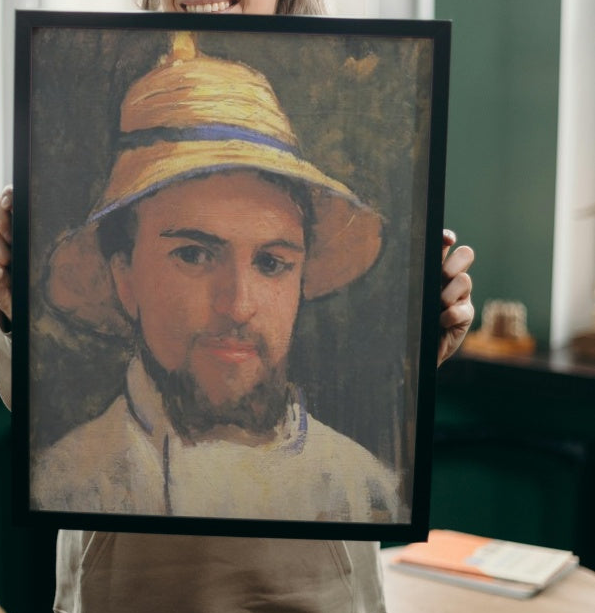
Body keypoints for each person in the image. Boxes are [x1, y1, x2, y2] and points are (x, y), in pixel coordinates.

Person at [0, 0, 474, 613]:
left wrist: (431, 323)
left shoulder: (352, 481)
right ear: (120, 270)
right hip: (131, 609)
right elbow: (28, 404)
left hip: (302, 608)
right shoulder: (83, 466)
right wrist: (11, 313)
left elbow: (404, 393)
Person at [30, 36, 404, 524]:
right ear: (125, 278)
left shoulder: (363, 488)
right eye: (194, 255)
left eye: (271, 263)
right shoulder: (67, 481)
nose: (238, 304)